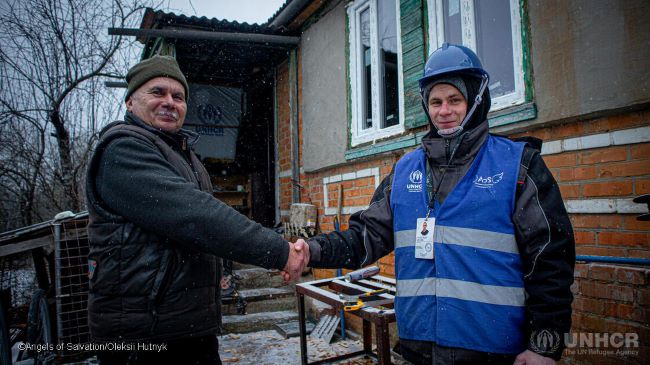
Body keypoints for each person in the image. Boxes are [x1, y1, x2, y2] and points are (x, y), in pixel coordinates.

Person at [294, 44, 575, 364]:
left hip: (493, 350)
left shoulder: (518, 167)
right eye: (435, 101)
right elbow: (364, 238)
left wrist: (545, 347)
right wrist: (310, 251)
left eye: (455, 100)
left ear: (475, 101)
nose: (444, 111)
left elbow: (551, 261)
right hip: (418, 348)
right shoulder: (404, 171)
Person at [85, 55, 308, 365]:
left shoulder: (185, 156)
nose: (169, 102)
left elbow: (208, 230)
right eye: (157, 92)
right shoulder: (123, 149)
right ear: (130, 102)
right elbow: (197, 217)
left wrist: (221, 270)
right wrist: (279, 250)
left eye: (178, 97)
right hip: (143, 335)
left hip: (187, 326)